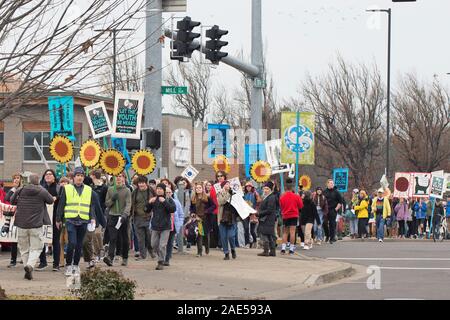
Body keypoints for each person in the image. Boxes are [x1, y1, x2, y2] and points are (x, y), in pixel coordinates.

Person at [11, 174, 54, 280]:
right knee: (37, 248)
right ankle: (30, 265)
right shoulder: (42, 190)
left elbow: (11, 200)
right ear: (38, 181)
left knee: (24, 248)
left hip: (21, 224)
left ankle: (27, 268)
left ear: (29, 181)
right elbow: (51, 201)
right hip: (36, 225)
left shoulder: (21, 189)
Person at [55, 167, 97, 276]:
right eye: (78, 175)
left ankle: (76, 265)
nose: (80, 178)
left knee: (79, 244)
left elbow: (91, 205)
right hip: (70, 219)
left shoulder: (88, 189)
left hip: (83, 219)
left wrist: (92, 217)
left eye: (82, 176)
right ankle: (69, 265)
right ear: (73, 178)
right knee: (72, 242)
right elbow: (61, 204)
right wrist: (58, 219)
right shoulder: (67, 188)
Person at [103, 172, 131, 267]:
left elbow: (128, 204)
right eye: (116, 176)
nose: (118, 178)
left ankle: (125, 257)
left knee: (124, 238)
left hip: (122, 216)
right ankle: (110, 257)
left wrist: (125, 215)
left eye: (120, 176)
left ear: (124, 178)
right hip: (112, 216)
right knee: (113, 237)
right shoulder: (110, 189)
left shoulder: (127, 190)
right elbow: (106, 204)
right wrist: (112, 200)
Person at [145, 183, 176, 270]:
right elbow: (146, 210)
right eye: (157, 189)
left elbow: (173, 209)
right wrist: (148, 203)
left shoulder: (168, 199)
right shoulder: (154, 199)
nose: (158, 190)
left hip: (165, 227)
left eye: (160, 189)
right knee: (154, 244)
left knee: (162, 245)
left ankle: (161, 261)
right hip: (155, 226)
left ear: (164, 191)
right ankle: (161, 257)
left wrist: (165, 202)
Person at [37, 169, 60, 271]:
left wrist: (56, 198)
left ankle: (56, 264)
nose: (48, 176)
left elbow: (62, 204)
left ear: (54, 177)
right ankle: (43, 262)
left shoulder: (59, 188)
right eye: (46, 174)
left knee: (55, 241)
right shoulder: (40, 188)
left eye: (50, 174)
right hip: (42, 218)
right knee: (41, 240)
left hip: (55, 218)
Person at [131, 175, 155, 260]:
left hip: (149, 217)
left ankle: (151, 250)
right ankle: (142, 255)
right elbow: (132, 204)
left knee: (149, 237)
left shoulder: (151, 190)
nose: (141, 185)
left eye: (142, 183)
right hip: (137, 217)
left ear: (146, 183)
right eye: (139, 183)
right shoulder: (135, 192)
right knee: (140, 238)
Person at [190, 182, 216, 256]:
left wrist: (207, 211)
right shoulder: (193, 198)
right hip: (198, 219)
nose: (198, 189)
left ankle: (207, 248)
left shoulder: (207, 198)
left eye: (200, 188)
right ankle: (199, 251)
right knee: (199, 234)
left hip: (206, 218)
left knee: (206, 235)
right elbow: (191, 208)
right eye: (197, 188)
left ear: (202, 189)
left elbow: (214, 206)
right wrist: (192, 213)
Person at [279, 178, 303, 254]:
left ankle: (283, 248)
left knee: (285, 232)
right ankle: (291, 249)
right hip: (294, 215)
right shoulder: (296, 196)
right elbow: (301, 206)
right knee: (292, 232)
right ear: (292, 187)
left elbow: (281, 206)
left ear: (286, 188)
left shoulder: (282, 196)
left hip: (285, 215)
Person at [89, 169, 108, 261]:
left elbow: (105, 200)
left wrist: (102, 208)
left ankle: (101, 249)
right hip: (91, 213)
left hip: (100, 212)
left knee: (97, 232)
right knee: (92, 234)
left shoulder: (104, 187)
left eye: (90, 175)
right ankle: (96, 253)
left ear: (93, 176)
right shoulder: (90, 187)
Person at [4, 172, 22, 268]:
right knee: (14, 238)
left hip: (23, 216)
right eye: (14, 178)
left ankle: (24, 258)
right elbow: (7, 198)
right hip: (14, 216)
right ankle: (13, 260)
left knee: (23, 239)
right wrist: (13, 189)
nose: (16, 179)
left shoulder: (23, 189)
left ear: (21, 179)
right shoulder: (12, 190)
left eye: (18, 178)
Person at [217, 180, 239, 260]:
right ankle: (226, 253)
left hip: (231, 218)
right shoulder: (220, 193)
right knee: (223, 237)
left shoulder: (234, 193)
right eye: (226, 184)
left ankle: (233, 249)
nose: (228, 185)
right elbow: (221, 202)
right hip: (222, 218)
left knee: (231, 236)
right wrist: (228, 194)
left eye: (229, 184)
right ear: (223, 186)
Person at [256, 181, 278, 257]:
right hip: (267, 219)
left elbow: (269, 210)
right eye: (264, 189)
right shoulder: (268, 196)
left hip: (267, 219)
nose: (265, 190)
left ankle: (266, 251)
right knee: (269, 235)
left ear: (271, 189)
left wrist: (259, 214)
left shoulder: (271, 197)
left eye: (267, 189)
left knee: (265, 235)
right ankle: (272, 251)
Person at [164, 186, 184, 266]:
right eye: (166, 192)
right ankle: (161, 256)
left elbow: (181, 214)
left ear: (172, 193)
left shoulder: (176, 202)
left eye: (169, 192)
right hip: (163, 225)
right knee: (161, 243)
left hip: (173, 226)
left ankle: (167, 259)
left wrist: (179, 224)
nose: (168, 194)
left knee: (170, 243)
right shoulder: (161, 201)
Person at [209, 171, 227, 248]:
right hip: (215, 210)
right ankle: (218, 243)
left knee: (223, 228)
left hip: (225, 210)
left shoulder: (228, 185)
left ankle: (222, 244)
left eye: (221, 176)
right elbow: (212, 199)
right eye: (218, 176)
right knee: (215, 228)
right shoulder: (214, 187)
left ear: (224, 177)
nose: (220, 177)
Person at [174, 177, 192, 253]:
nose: (183, 184)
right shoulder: (176, 192)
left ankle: (186, 243)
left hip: (188, 214)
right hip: (179, 215)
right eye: (181, 183)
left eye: (184, 183)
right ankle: (179, 245)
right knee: (180, 230)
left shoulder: (190, 192)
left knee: (187, 230)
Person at [323, 179, 343, 244]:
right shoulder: (324, 191)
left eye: (332, 183)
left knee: (332, 224)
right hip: (325, 210)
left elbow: (340, 201)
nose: (332, 184)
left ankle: (332, 238)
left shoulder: (336, 192)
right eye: (330, 183)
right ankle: (327, 235)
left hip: (333, 210)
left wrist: (336, 209)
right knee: (324, 223)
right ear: (327, 184)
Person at [57, 177, 70, 268]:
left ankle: (69, 259)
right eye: (62, 182)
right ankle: (61, 261)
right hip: (60, 220)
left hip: (68, 220)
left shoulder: (70, 193)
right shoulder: (58, 193)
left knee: (68, 241)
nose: (64, 184)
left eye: (66, 182)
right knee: (60, 242)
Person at [243, 181, 260, 248]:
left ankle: (255, 241)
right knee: (246, 228)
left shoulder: (255, 193)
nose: (248, 187)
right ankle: (247, 243)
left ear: (252, 187)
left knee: (252, 230)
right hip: (246, 213)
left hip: (253, 213)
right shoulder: (244, 194)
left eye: (249, 186)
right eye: (247, 186)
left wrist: (257, 195)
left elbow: (259, 201)